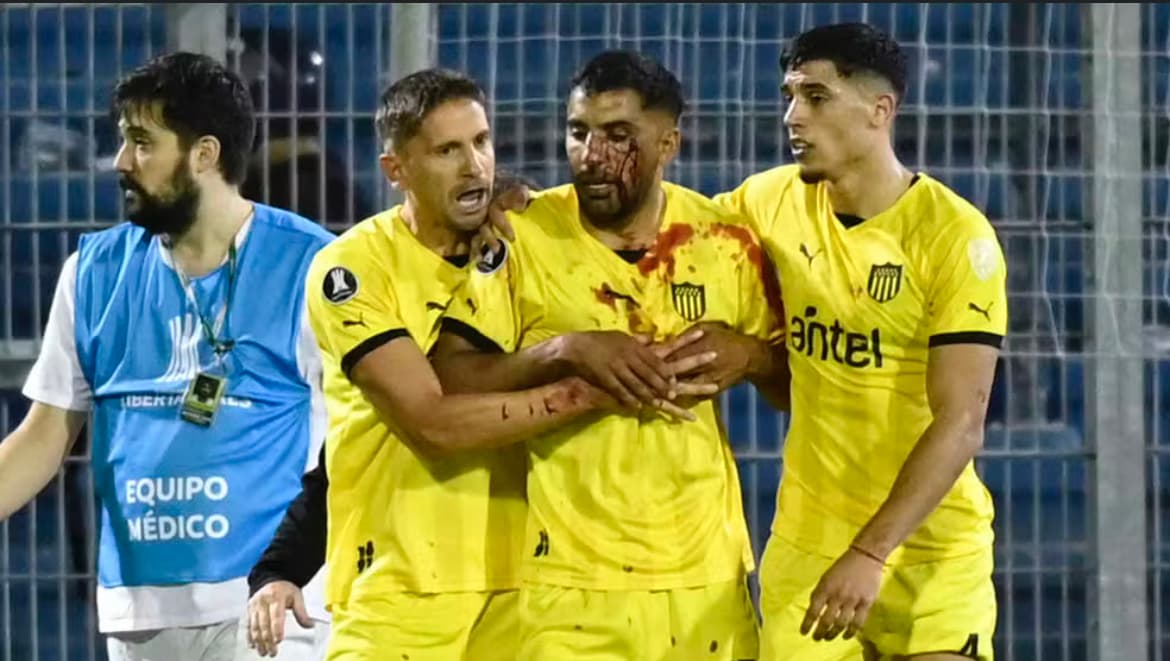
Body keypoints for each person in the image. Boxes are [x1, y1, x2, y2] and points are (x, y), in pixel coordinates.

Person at [292, 67, 713, 661]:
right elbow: (433, 425)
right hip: (400, 588)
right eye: (447, 151)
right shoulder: (354, 268)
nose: (474, 168)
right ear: (397, 171)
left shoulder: (523, 241)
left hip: (525, 585)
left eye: (482, 143)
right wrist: (587, 384)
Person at [429, 50, 790, 660]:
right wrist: (564, 351)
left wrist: (752, 354)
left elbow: (795, 389)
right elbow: (452, 376)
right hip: (571, 582)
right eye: (578, 133)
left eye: (618, 135)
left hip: (705, 574)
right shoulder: (523, 235)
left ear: (668, 142)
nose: (591, 156)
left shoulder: (724, 242)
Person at [0, 52, 335, 660]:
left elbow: (360, 439)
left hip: (272, 606)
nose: (123, 162)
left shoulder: (312, 266)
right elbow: (43, 438)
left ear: (204, 154)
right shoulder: (92, 273)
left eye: (141, 143)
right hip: (140, 608)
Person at [714, 23, 1007, 660]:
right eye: (790, 96)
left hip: (930, 545)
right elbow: (667, 229)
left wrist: (871, 551)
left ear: (881, 111)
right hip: (810, 541)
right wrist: (531, 207)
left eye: (816, 98)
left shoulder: (956, 236)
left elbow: (962, 421)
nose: (793, 116)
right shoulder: (766, 202)